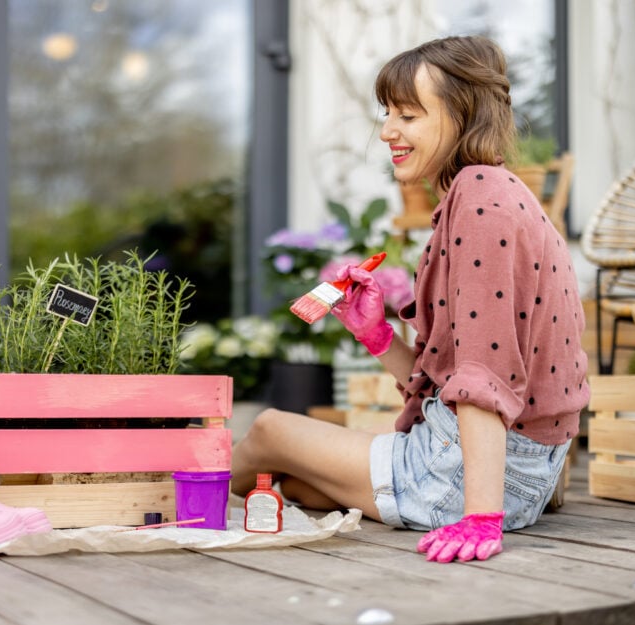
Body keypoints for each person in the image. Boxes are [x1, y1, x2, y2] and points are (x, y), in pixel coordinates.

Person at [231, 35, 590, 563]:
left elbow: (481, 376)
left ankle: (163, 501)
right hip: (508, 470)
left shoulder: (481, 201)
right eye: (388, 113)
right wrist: (375, 334)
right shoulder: (498, 191)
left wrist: (481, 517)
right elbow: (450, 380)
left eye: (408, 115)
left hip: (470, 477)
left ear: (463, 114)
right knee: (299, 483)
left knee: (268, 430)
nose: (388, 131)